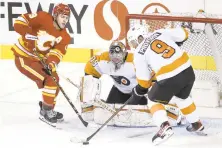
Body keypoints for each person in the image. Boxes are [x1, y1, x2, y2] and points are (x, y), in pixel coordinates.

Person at [127, 24, 205, 145]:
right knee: (182, 98)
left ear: (138, 37)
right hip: (188, 71)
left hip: (170, 77)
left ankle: (164, 127)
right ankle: (196, 123)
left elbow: (143, 83)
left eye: (133, 42)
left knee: (153, 100)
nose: (133, 46)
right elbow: (184, 34)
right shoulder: (159, 32)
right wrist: (175, 42)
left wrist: (137, 91)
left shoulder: (138, 53)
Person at [80, 41, 185, 127]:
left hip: (140, 92)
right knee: (111, 113)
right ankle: (87, 109)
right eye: (112, 54)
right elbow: (89, 70)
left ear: (125, 53)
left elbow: (155, 77)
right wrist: (88, 96)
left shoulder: (136, 61)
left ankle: (173, 111)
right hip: (120, 90)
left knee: (151, 111)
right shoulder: (103, 60)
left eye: (118, 54)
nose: (115, 58)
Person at [11, 3, 71, 127]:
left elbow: (57, 53)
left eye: (67, 17)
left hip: (39, 60)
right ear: (55, 15)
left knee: (55, 80)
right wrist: (26, 33)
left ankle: (48, 109)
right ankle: (46, 112)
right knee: (50, 80)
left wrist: (51, 63)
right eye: (62, 16)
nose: (65, 20)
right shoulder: (43, 17)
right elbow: (20, 21)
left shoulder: (65, 36)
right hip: (24, 57)